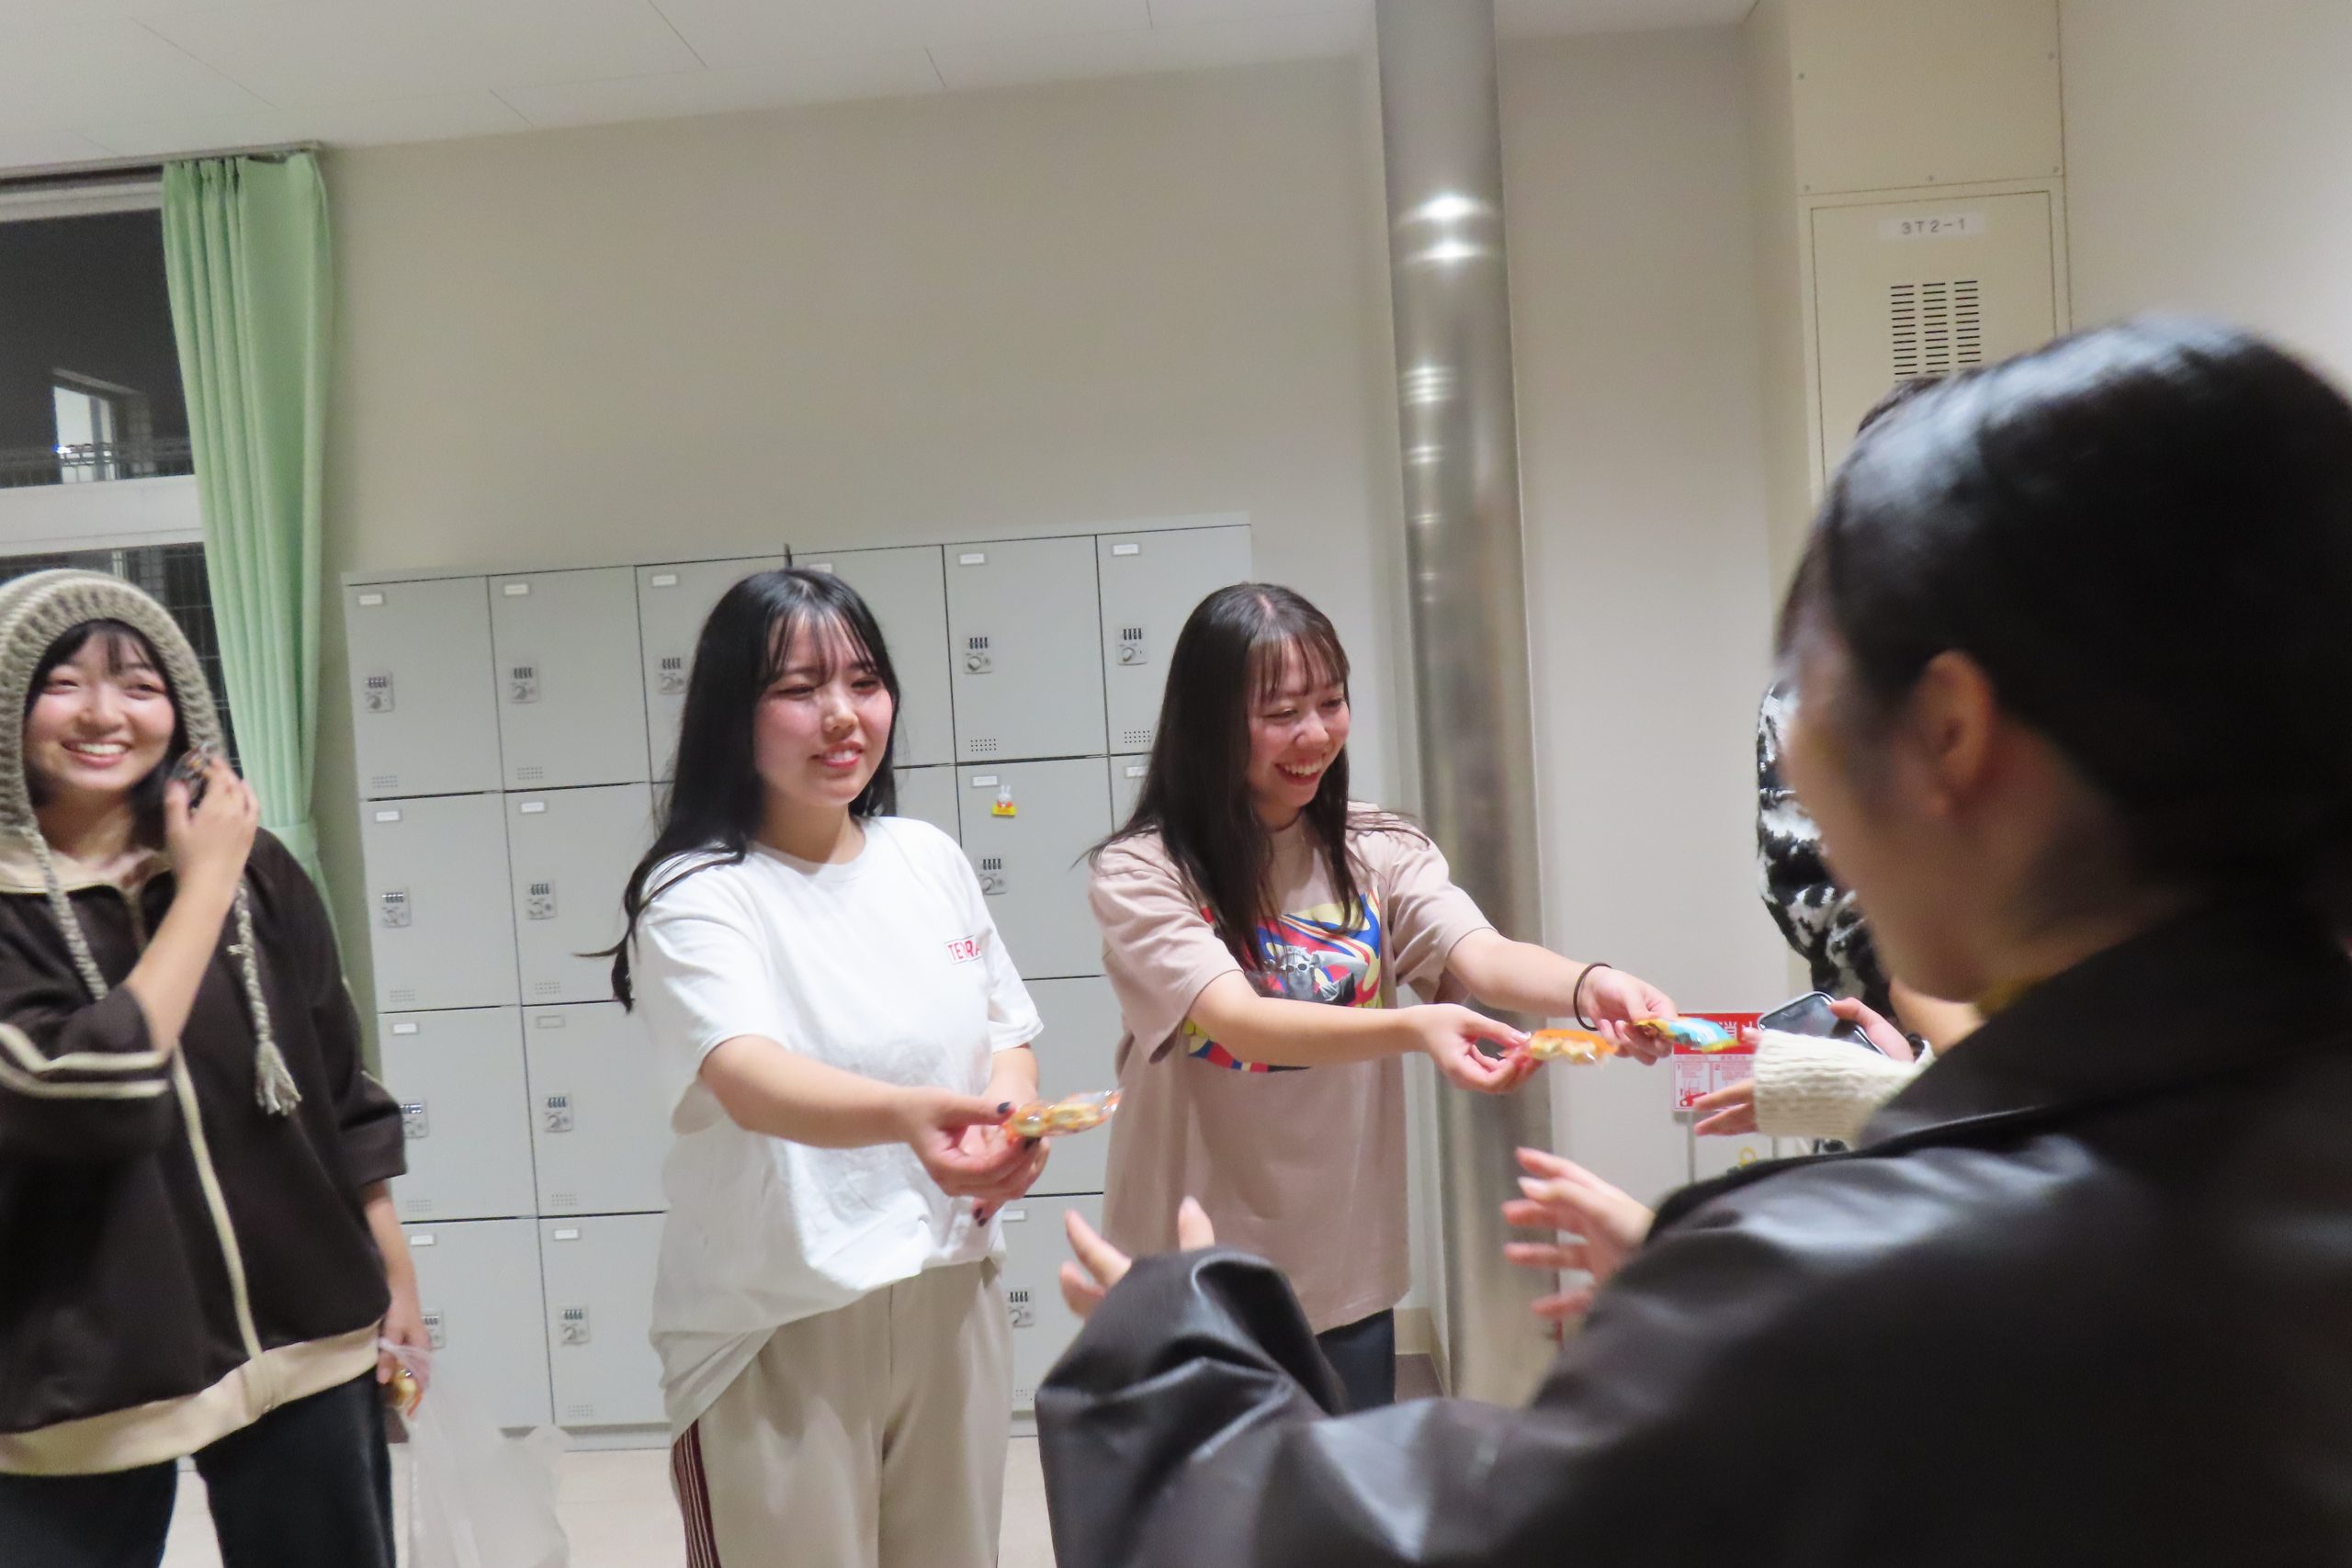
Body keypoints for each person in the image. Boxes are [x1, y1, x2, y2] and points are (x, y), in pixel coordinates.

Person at [1037, 320, 2352, 1566]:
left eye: (1809, 682)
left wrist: (1172, 1368)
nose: (1795, 769)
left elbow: (1418, 1536)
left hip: (1297, 1279)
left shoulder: (1844, 1282)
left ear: (1952, 733)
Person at [1084, 582, 1678, 1412]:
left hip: (1343, 1273)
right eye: (1280, 711)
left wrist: (1588, 987)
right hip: (1190, 1274)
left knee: (1346, 1489)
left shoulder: (1379, 847)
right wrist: (1415, 1026)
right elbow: (1236, 1020)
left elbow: (1482, 953)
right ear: (1209, 722)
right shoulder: (1144, 871)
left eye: (1331, 702)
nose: (1315, 734)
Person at [613, 569, 1049, 1568]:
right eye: (799, 688)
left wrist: (1009, 1119)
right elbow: (745, 1073)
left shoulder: (927, 858)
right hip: (777, 1314)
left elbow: (1004, 1032)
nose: (842, 715)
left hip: (949, 1286)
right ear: (733, 713)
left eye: (863, 681)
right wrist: (909, 1117)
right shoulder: (699, 891)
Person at [0, 570, 420, 1567]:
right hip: (76, 1374)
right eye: (63, 684)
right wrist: (203, 886)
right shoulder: (204, 870)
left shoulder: (257, 865)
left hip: (306, 1335)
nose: (105, 714)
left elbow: (335, 1080)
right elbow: (86, 1096)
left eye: (139, 684)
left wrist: (391, 1268)